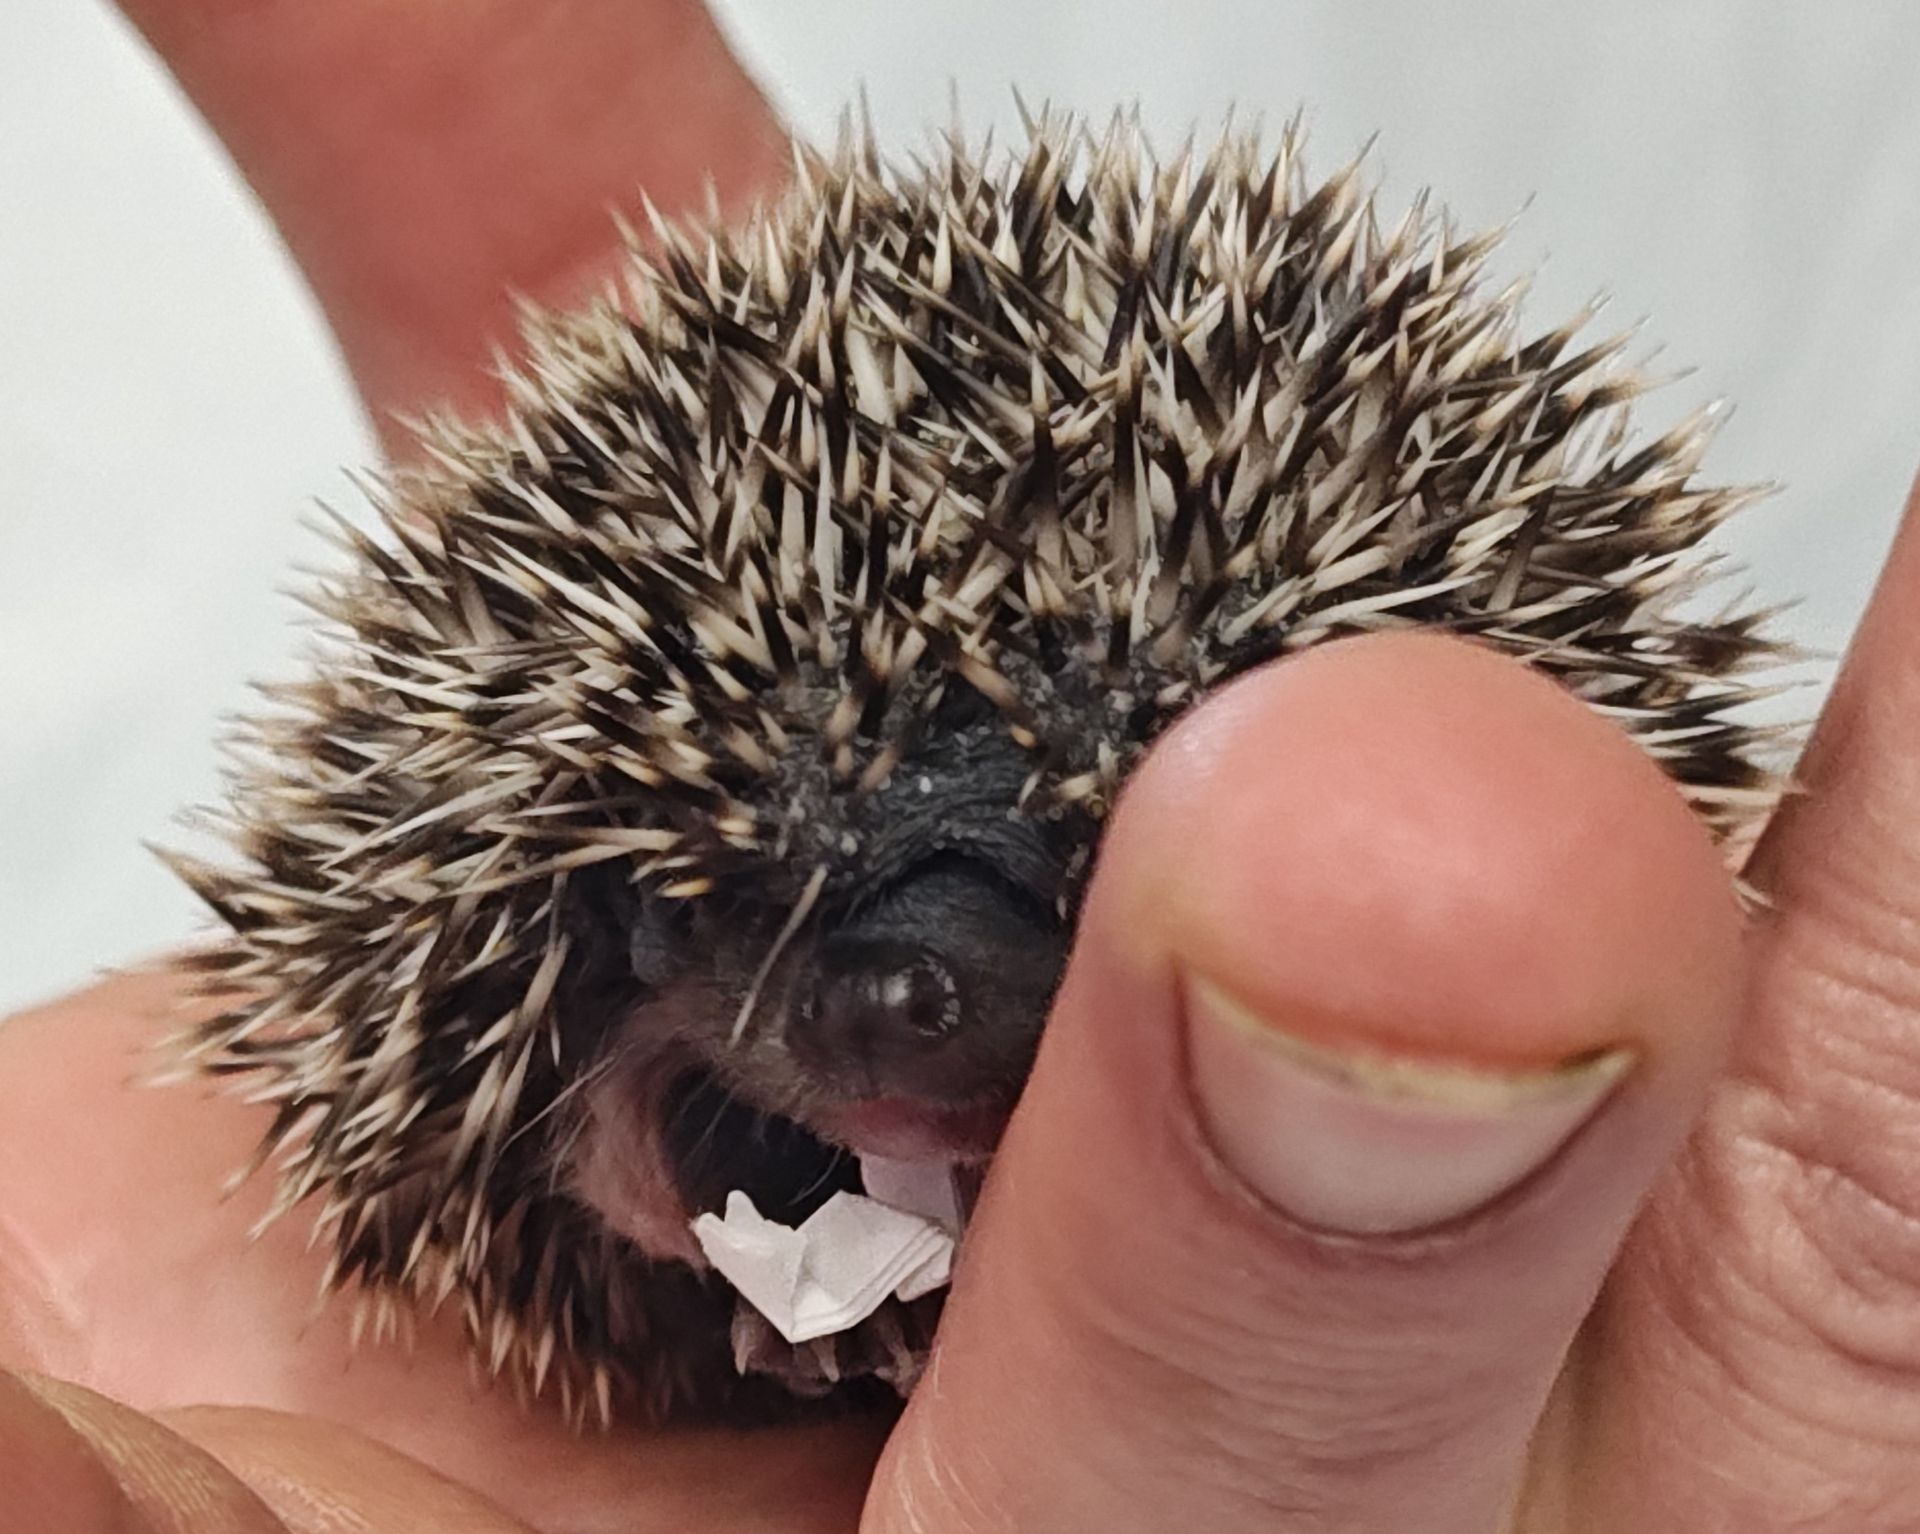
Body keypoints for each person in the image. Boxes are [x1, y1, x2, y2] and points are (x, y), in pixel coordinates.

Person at [2, 4, 1915, 1529]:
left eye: (1021, 900)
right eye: (767, 925)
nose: (895, 1014)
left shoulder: (1368, 788)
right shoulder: (549, 1002)